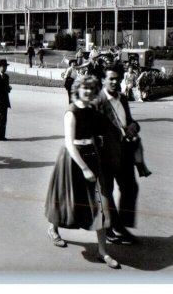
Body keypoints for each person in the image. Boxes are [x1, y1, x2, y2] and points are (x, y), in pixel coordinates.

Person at [43, 75, 121, 269]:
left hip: (92, 157)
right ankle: (53, 228)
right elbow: (69, 143)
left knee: (102, 203)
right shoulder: (71, 112)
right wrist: (84, 168)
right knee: (67, 200)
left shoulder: (92, 109)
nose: (88, 92)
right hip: (72, 160)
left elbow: (96, 134)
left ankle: (102, 251)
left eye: (91, 89)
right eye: (84, 88)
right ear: (77, 89)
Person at [96, 63, 143, 245]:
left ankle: (121, 225)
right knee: (107, 192)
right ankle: (109, 228)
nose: (115, 82)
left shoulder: (122, 99)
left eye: (118, 78)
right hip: (105, 155)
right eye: (111, 79)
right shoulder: (98, 101)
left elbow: (130, 121)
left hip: (124, 152)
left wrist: (134, 127)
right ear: (103, 80)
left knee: (130, 188)